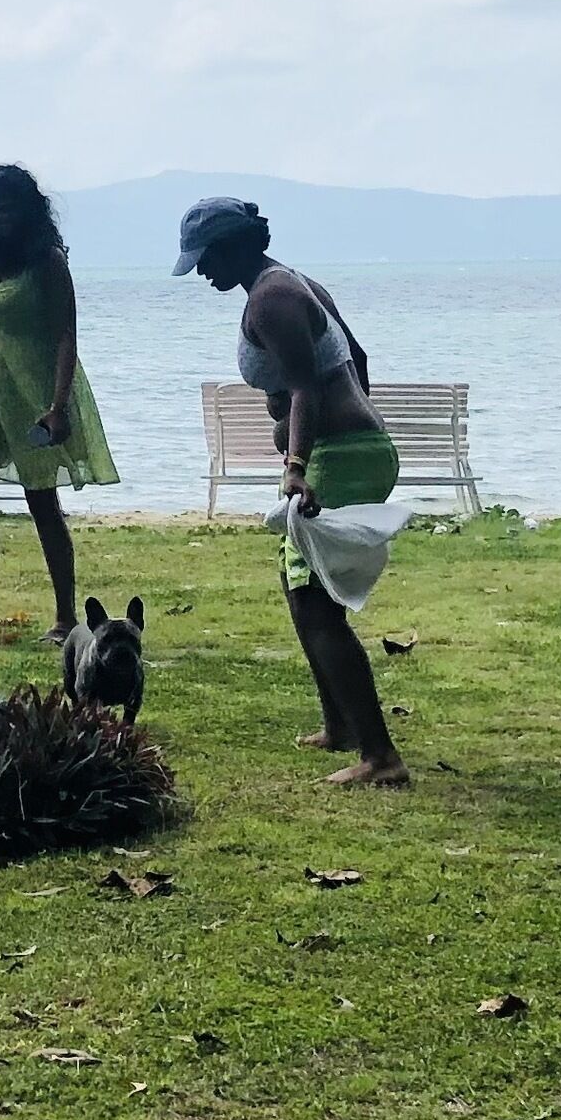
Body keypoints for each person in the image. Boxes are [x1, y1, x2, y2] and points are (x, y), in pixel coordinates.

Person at [178, 194, 408, 788]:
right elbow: (357, 357)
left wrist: (297, 464)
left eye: (206, 258)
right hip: (349, 447)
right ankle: (340, 725)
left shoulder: (272, 298)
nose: (201, 272)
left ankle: (381, 757)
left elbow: (305, 386)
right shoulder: (290, 281)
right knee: (297, 586)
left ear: (233, 246)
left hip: (337, 456)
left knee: (316, 604)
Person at [0, 162, 117, 643]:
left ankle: (65, 617)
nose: (3, 217)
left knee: (41, 498)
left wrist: (58, 406)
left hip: (38, 389)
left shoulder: (48, 260)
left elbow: (66, 336)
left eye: (11, 208)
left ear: (29, 209)